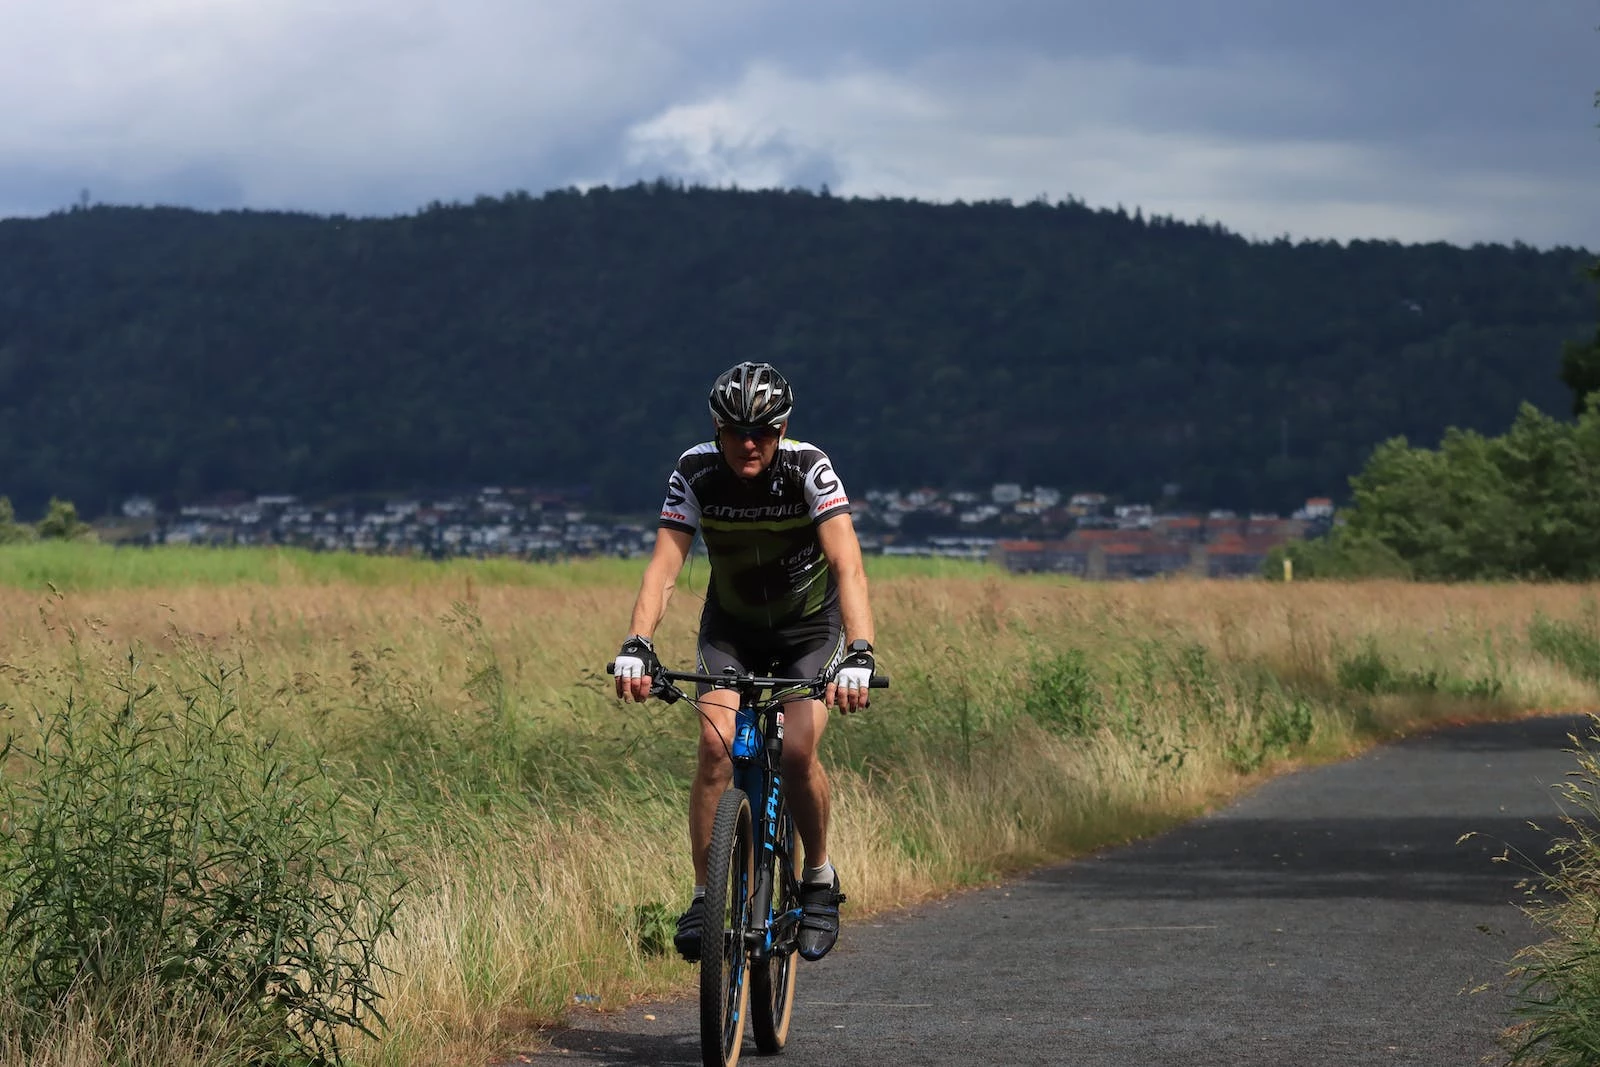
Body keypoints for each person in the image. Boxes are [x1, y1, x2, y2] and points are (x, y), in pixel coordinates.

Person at [612, 360, 878, 964]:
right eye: (736, 431)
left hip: (807, 628)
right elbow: (664, 567)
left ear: (782, 431)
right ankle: (707, 897)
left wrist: (860, 652)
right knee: (714, 747)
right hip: (731, 628)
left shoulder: (809, 469)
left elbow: (848, 564)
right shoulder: (696, 471)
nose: (749, 443)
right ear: (717, 428)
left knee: (797, 749)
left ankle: (817, 879)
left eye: (763, 431)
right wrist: (637, 642)